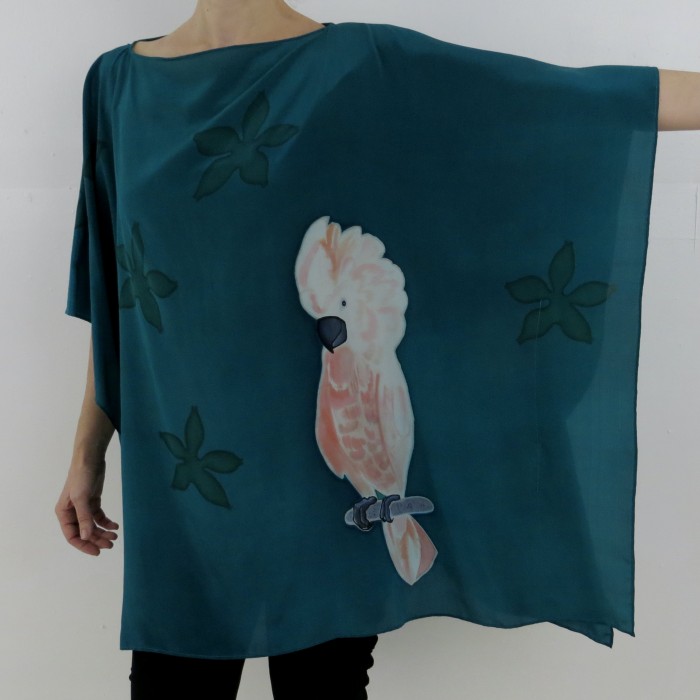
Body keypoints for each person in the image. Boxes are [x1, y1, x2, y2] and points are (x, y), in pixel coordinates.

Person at [55, 1, 700, 698]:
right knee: (171, 682)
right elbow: (119, 296)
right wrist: (88, 453)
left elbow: (561, 100)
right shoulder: (116, 85)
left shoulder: (361, 64)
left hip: (319, 480)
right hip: (185, 483)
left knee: (322, 687)